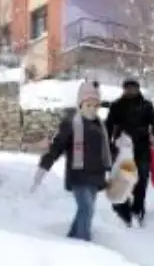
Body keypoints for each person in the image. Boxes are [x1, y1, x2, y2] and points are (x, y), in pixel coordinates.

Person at [31, 80, 110, 242]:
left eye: (96, 105)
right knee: (86, 208)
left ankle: (72, 240)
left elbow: (107, 150)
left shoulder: (100, 126)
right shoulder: (71, 124)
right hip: (78, 176)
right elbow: (56, 148)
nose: (93, 109)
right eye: (89, 104)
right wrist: (43, 169)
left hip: (96, 177)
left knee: (86, 211)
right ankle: (83, 244)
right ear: (80, 104)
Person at [105, 78, 154, 226]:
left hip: (141, 149)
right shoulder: (116, 106)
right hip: (122, 150)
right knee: (122, 179)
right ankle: (123, 209)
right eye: (127, 88)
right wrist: (107, 144)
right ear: (123, 89)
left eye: (133, 88)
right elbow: (108, 126)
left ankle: (138, 210)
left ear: (138, 89)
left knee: (141, 179)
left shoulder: (146, 106)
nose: (130, 90)